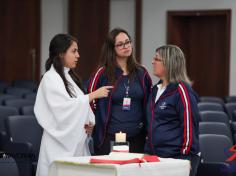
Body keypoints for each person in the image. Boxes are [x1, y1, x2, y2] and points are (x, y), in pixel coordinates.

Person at [34, 34, 112, 176]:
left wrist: (89, 123)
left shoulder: (68, 77)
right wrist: (92, 95)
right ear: (61, 53)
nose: (78, 55)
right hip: (57, 145)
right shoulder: (50, 78)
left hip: (75, 143)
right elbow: (63, 109)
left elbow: (77, 107)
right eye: (74, 51)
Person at [87, 28, 152, 155]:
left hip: (137, 137)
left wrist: (148, 131)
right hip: (110, 137)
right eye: (120, 44)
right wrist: (91, 122)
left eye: (128, 42)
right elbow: (89, 98)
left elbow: (150, 102)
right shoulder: (102, 73)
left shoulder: (141, 72)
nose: (126, 46)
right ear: (112, 48)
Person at [145, 45, 200, 176]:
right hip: (156, 158)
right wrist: (147, 150)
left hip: (178, 158)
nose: (152, 62)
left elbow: (189, 126)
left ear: (168, 63)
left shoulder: (182, 90)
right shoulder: (155, 90)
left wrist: (186, 157)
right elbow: (152, 123)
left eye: (156, 59)